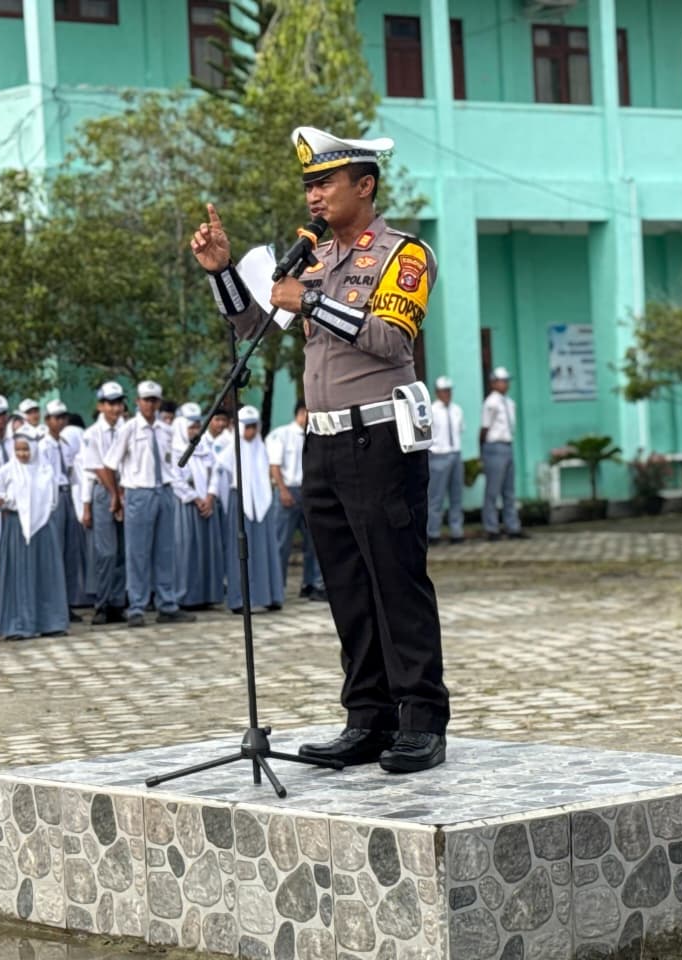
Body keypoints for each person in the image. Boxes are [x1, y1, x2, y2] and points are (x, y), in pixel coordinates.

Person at [192, 125, 449, 772]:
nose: (313, 196)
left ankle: (421, 719)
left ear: (364, 186)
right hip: (325, 443)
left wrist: (309, 298)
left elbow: (391, 340)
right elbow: (254, 326)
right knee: (346, 586)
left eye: (325, 182)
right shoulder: (310, 259)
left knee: (395, 579)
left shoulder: (403, 254)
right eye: (308, 184)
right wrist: (224, 272)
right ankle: (368, 718)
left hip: (382, 437)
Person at [98, 380, 195, 628]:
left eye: (154, 400)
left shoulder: (166, 430)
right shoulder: (129, 429)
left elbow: (174, 461)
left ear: (159, 402)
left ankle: (167, 603)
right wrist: (116, 496)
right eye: (146, 400)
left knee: (165, 551)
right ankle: (137, 606)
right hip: (138, 493)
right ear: (138, 402)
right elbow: (109, 465)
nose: (150, 404)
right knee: (137, 553)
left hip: (163, 491)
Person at [0, 428, 68, 641]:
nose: (23, 454)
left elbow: (52, 501)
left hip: (43, 525)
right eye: (18, 450)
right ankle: (19, 624)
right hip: (17, 527)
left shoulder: (46, 470)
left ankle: (51, 621)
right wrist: (6, 502)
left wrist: (37, 511)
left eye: (26, 449)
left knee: (45, 572)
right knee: (19, 573)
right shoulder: (7, 471)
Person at [215, 406, 285, 615]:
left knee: (265, 549)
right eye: (247, 428)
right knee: (240, 551)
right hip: (240, 503)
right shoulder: (229, 449)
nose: (251, 432)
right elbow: (223, 477)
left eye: (254, 427)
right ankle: (239, 599)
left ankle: (270, 595)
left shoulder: (261, 447)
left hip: (262, 503)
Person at [266, 400, 326, 601]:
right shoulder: (281, 434)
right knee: (282, 543)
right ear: (302, 412)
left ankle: (312, 584)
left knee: (315, 542)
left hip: (309, 491)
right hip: (288, 490)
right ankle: (276, 588)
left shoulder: (314, 436)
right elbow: (274, 466)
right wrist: (282, 490)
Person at [168, 403, 226, 609]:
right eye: (190, 427)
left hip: (207, 506)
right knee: (186, 551)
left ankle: (207, 594)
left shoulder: (204, 448)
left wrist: (210, 496)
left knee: (208, 552)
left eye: (197, 427)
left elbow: (215, 472)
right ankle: (185, 596)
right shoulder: (173, 449)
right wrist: (195, 498)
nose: (194, 431)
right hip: (187, 507)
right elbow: (175, 479)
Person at [79, 382, 128, 625]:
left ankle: (118, 601)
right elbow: (96, 469)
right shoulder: (92, 434)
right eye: (110, 403)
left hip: (125, 489)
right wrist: (88, 505)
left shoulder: (126, 429)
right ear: (101, 406)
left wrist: (123, 494)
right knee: (105, 551)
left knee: (122, 551)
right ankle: (102, 602)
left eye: (118, 403)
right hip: (104, 491)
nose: (115, 408)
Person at [42, 400, 87, 617]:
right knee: (56, 550)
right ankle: (54, 602)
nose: (60, 421)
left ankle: (68, 602)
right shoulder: (43, 446)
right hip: (53, 497)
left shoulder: (66, 444)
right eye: (55, 417)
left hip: (68, 494)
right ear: (47, 420)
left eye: (62, 417)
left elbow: (72, 472)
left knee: (70, 550)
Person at [480, 367, 525, 541]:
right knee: (492, 491)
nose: (505, 384)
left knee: (509, 490)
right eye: (502, 381)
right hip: (494, 446)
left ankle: (512, 526)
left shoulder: (509, 402)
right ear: (493, 382)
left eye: (507, 381)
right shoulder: (491, 403)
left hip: (507, 445)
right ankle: (491, 528)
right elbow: (484, 429)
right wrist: (482, 452)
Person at [427, 375, 466, 546]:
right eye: (444, 391)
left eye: (449, 390)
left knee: (457, 495)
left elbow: (460, 430)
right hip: (438, 455)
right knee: (436, 497)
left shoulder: (457, 410)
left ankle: (456, 531)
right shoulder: (431, 410)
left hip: (455, 453)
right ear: (437, 392)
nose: (447, 394)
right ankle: (433, 532)